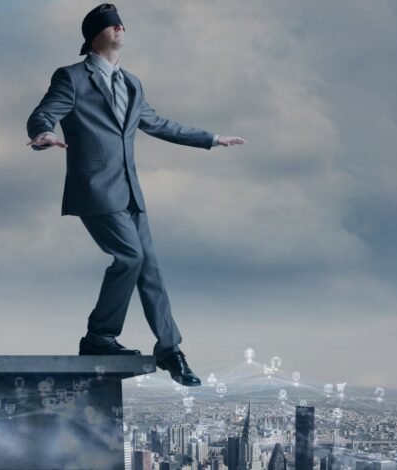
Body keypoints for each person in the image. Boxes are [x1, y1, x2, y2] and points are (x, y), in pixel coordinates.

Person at [26, 3, 245, 386]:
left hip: (130, 191)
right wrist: (43, 134)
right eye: (112, 24)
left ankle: (170, 349)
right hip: (94, 188)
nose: (121, 28)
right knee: (131, 256)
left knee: (150, 270)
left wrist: (211, 139)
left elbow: (158, 123)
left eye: (122, 24)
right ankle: (99, 337)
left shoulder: (132, 83)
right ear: (96, 34)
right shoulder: (72, 77)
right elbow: (45, 112)